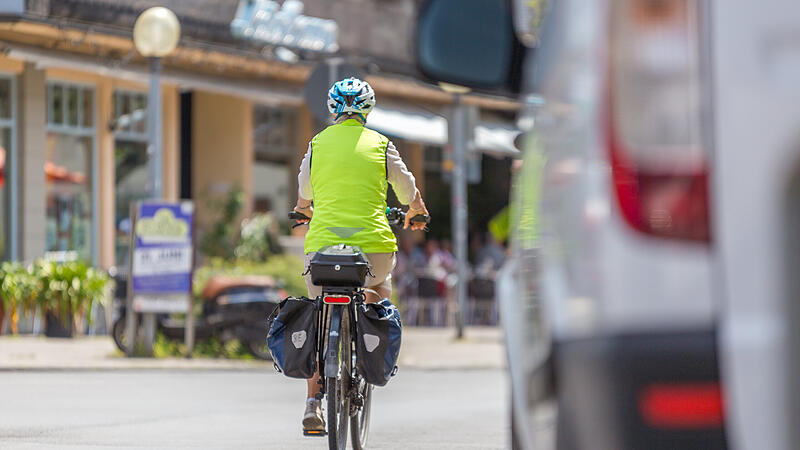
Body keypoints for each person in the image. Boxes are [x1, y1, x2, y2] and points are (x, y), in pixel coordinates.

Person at [293, 77, 429, 433]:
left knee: (319, 318)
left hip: (322, 253)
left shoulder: (318, 143)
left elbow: (305, 191)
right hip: (373, 252)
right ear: (368, 109)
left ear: (332, 108)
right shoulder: (381, 144)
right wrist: (416, 209)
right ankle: (370, 344)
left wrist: (303, 208)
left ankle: (313, 403)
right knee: (379, 287)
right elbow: (406, 188)